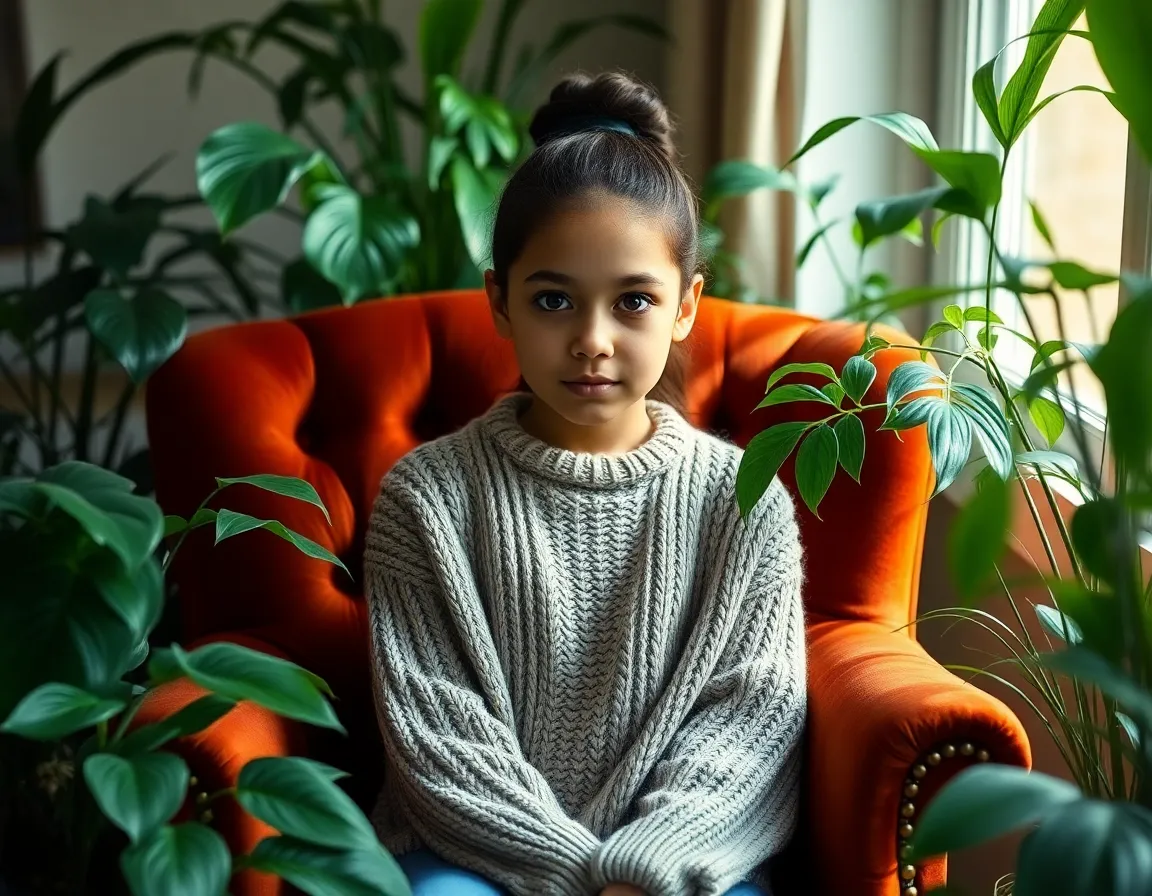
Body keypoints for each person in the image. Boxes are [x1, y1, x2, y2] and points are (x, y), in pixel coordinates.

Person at [364, 70, 807, 896]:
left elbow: (752, 719)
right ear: (500, 300)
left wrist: (645, 868)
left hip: (683, 857)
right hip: (471, 856)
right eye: (554, 299)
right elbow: (436, 734)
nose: (592, 340)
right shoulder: (425, 499)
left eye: (634, 300)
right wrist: (578, 876)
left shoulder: (744, 500)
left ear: (686, 306)